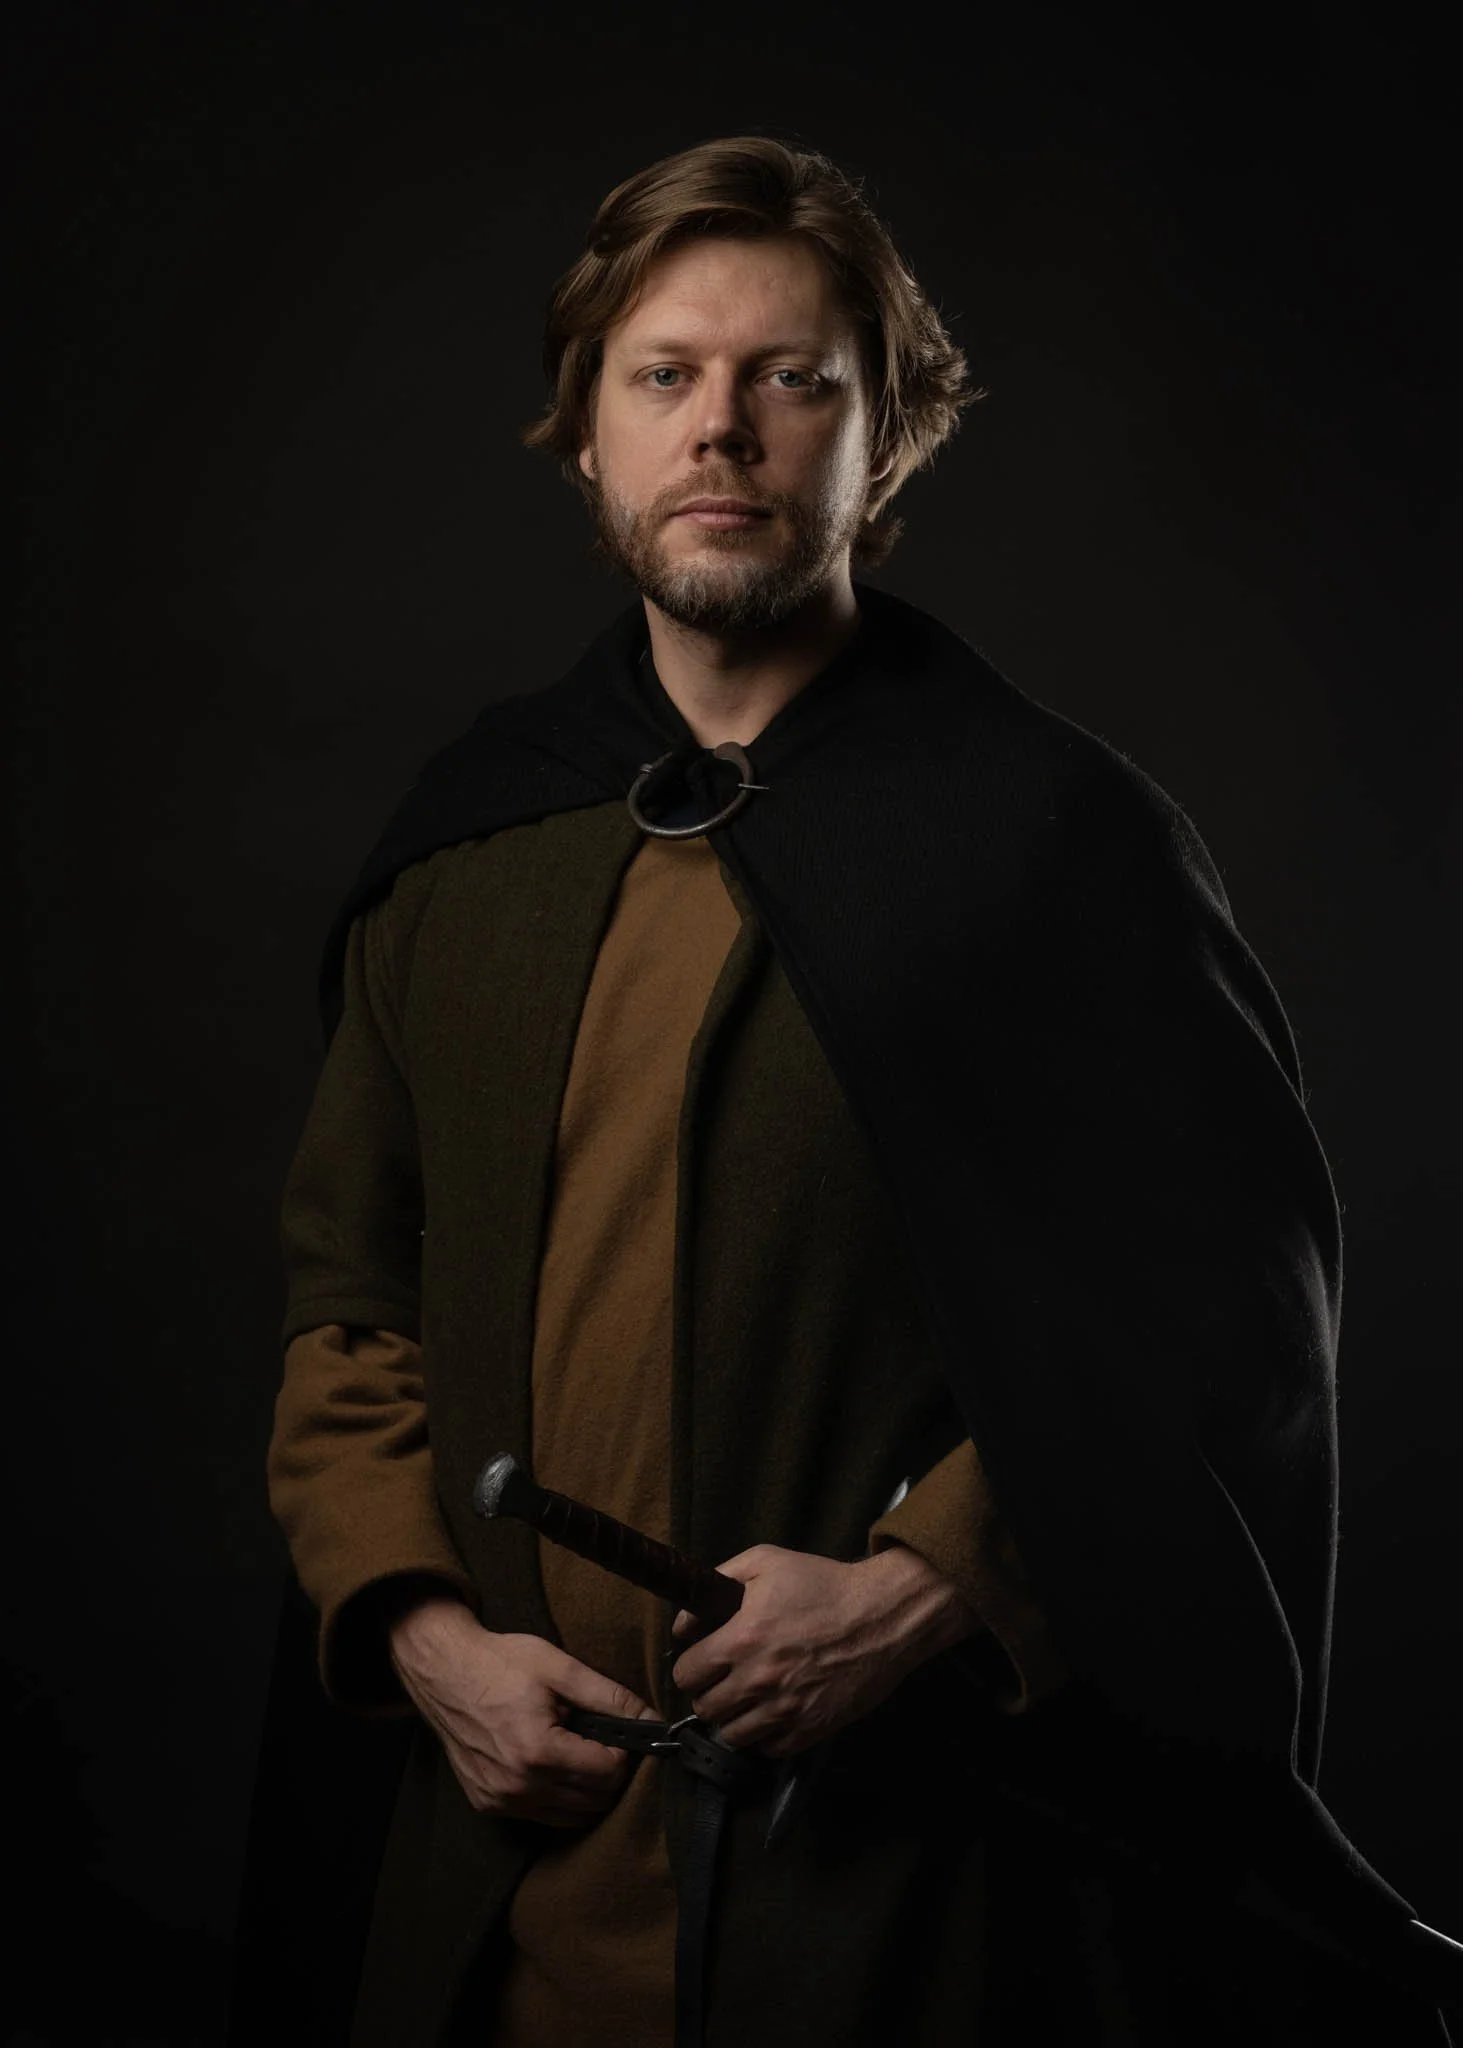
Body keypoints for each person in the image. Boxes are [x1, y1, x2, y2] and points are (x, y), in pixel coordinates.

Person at [257, 136, 1455, 2047]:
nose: (718, 428)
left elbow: (1222, 1311)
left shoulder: (1055, 843)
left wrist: (923, 1589)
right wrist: (424, 1635)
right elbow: (350, 1311)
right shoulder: (466, 853)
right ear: (585, 432)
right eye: (663, 374)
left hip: (905, 1908)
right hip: (511, 1887)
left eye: (791, 378)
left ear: (882, 438)